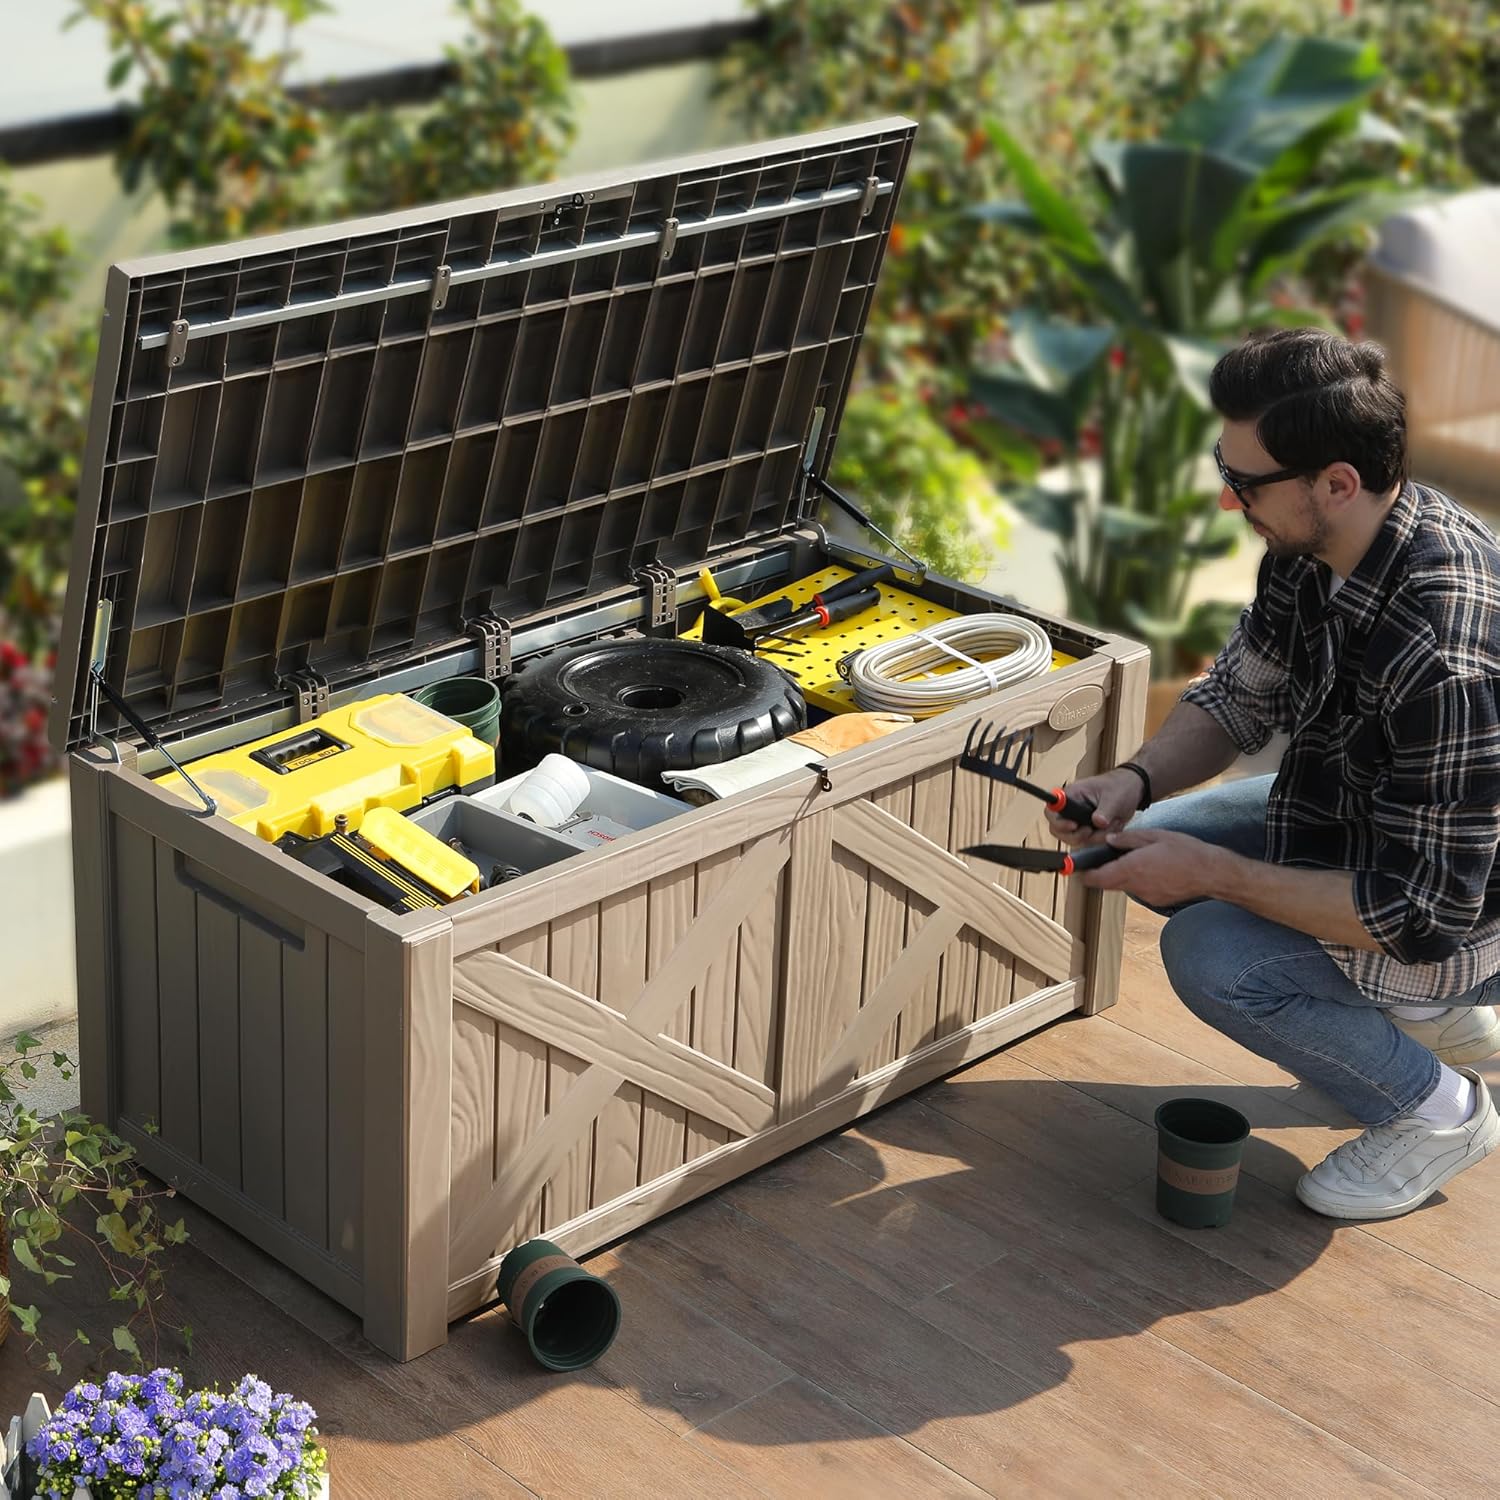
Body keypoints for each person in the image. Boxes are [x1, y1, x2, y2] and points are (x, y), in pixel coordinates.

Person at [1049, 326, 1500, 1221]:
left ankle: (1438, 1111)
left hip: (1455, 915)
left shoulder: (1444, 655)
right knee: (1148, 841)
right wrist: (1132, 780)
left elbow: (1421, 915)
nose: (1228, 499)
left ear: (1337, 483)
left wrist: (1218, 876)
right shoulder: (1316, 550)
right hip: (1354, 822)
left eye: (1247, 483)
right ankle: (1420, 1027)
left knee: (1212, 953)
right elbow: (1236, 699)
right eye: (1226, 469)